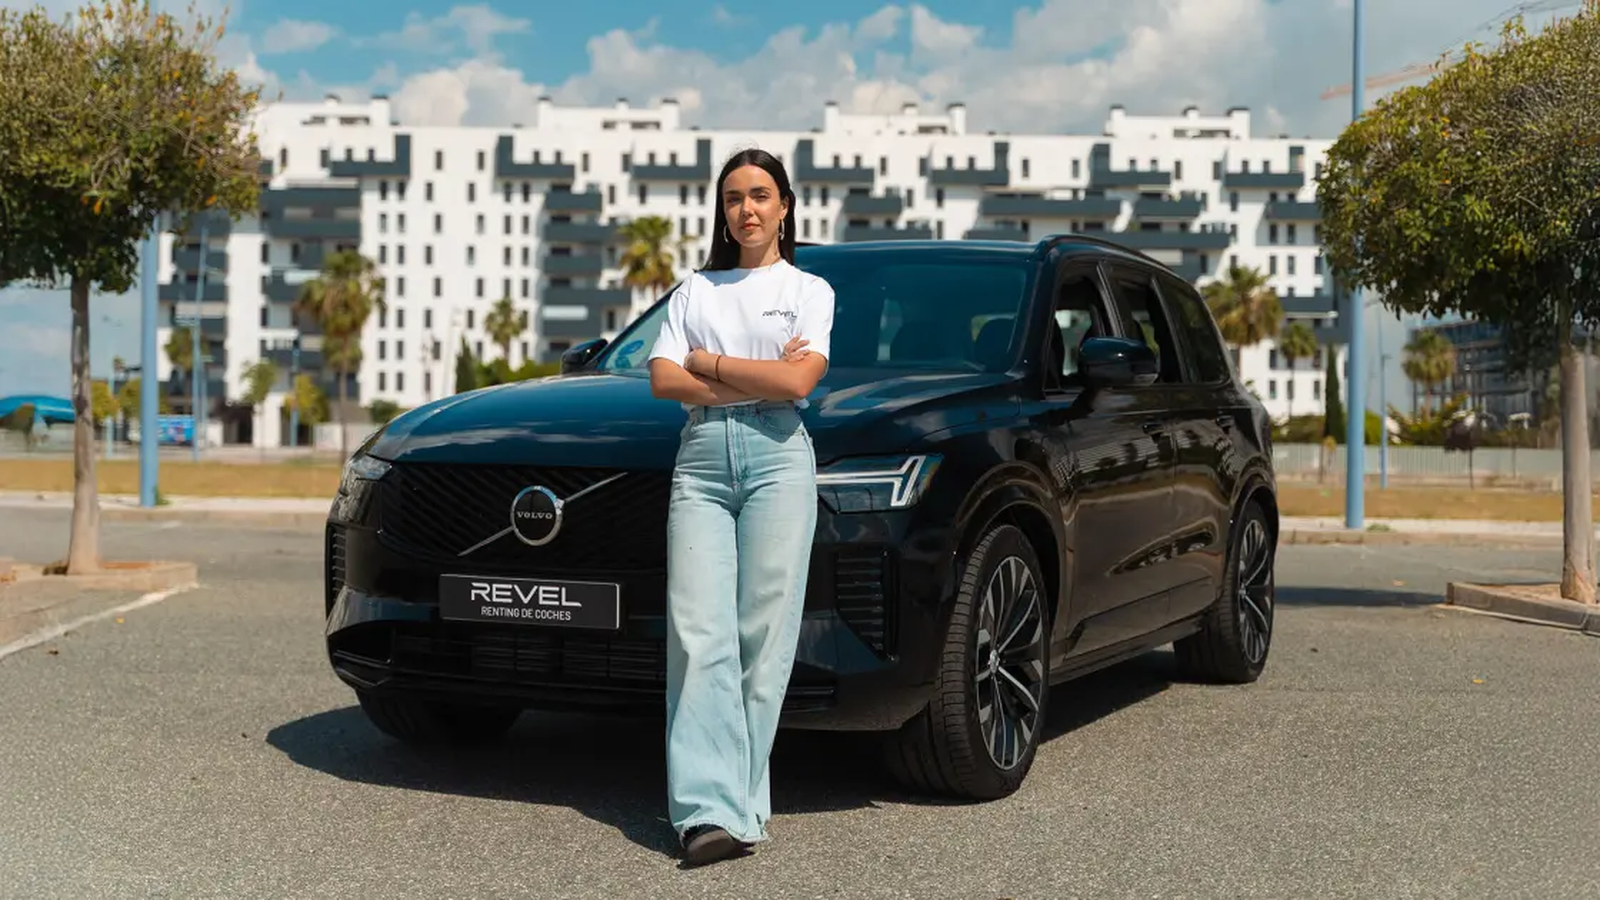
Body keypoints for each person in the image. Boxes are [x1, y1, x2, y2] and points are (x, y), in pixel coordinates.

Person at [646, 148, 835, 867]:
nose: (745, 209)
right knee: (699, 631)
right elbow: (663, 381)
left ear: (785, 205)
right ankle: (706, 812)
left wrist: (710, 363)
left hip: (778, 460)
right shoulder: (695, 289)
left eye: (759, 195)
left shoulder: (810, 290)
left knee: (763, 632)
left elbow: (802, 382)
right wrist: (762, 377)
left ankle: (738, 802)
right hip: (699, 462)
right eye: (732, 198)